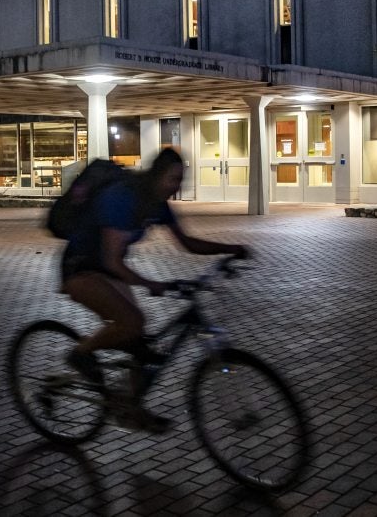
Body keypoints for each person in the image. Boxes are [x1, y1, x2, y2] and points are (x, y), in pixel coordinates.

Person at [61, 148, 248, 431]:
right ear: (158, 175)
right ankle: (80, 352)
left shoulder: (157, 204)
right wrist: (151, 284)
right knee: (131, 322)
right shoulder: (122, 197)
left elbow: (187, 244)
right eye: (173, 179)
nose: (178, 186)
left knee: (139, 338)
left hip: (108, 269)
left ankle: (129, 411)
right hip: (80, 267)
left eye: (181, 180)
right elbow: (111, 259)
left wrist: (231, 249)